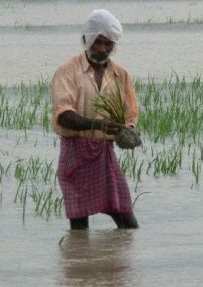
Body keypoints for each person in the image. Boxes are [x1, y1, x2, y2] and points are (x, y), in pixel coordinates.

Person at [51, 9, 139, 229]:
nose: (102, 49)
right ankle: (81, 262)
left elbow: (130, 115)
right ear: (86, 39)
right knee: (80, 225)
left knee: (127, 221)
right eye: (98, 42)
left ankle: (107, 261)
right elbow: (63, 115)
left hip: (105, 153)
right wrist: (98, 125)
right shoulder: (67, 71)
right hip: (75, 153)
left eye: (108, 44)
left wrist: (127, 131)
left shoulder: (121, 74)